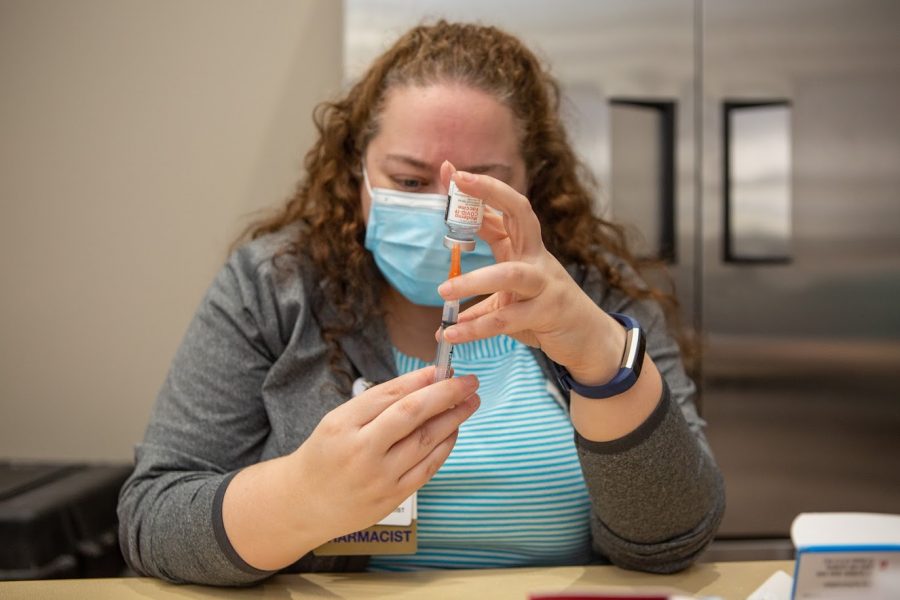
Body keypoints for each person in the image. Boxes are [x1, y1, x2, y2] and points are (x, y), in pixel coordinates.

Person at [117, 20, 724, 586]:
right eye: (408, 182)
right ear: (357, 173)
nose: (445, 217)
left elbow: (674, 541)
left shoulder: (594, 289)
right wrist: (302, 497)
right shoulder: (275, 288)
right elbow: (152, 518)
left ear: (530, 180)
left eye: (478, 184)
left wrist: (601, 359)